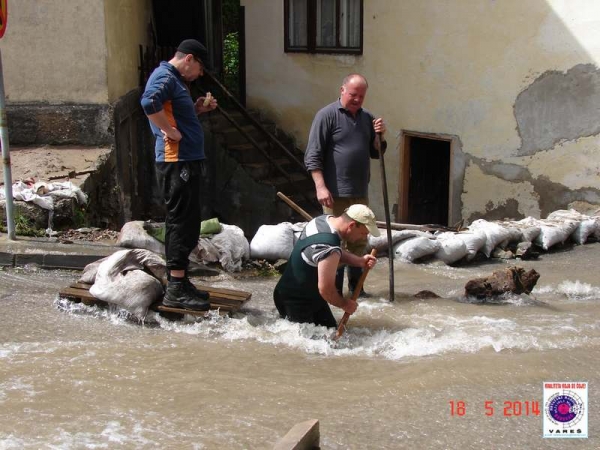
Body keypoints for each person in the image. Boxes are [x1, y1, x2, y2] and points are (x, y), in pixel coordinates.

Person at [140, 39, 217, 311]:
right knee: (180, 222)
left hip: (188, 160)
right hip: (177, 161)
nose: (200, 74)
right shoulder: (164, 76)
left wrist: (197, 109)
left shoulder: (175, 80)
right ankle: (175, 286)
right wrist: (170, 132)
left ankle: (180, 282)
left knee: (190, 221)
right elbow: (149, 102)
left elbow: (172, 112)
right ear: (189, 59)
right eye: (200, 68)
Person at [304, 73, 387, 296]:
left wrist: (379, 136)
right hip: (335, 193)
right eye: (353, 94)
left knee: (360, 241)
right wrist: (320, 186)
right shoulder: (327, 115)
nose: (357, 99)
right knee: (336, 243)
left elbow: (375, 152)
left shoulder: (366, 118)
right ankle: (335, 290)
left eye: (361, 95)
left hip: (359, 192)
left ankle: (357, 289)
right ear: (342, 90)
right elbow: (313, 155)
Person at [273, 204, 379, 328]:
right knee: (312, 346)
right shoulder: (328, 247)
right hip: (295, 300)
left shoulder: (323, 220)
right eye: (363, 233)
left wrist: (359, 261)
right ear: (351, 225)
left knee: (331, 336)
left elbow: (333, 252)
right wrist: (345, 304)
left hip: (309, 294)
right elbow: (326, 289)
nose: (364, 238)